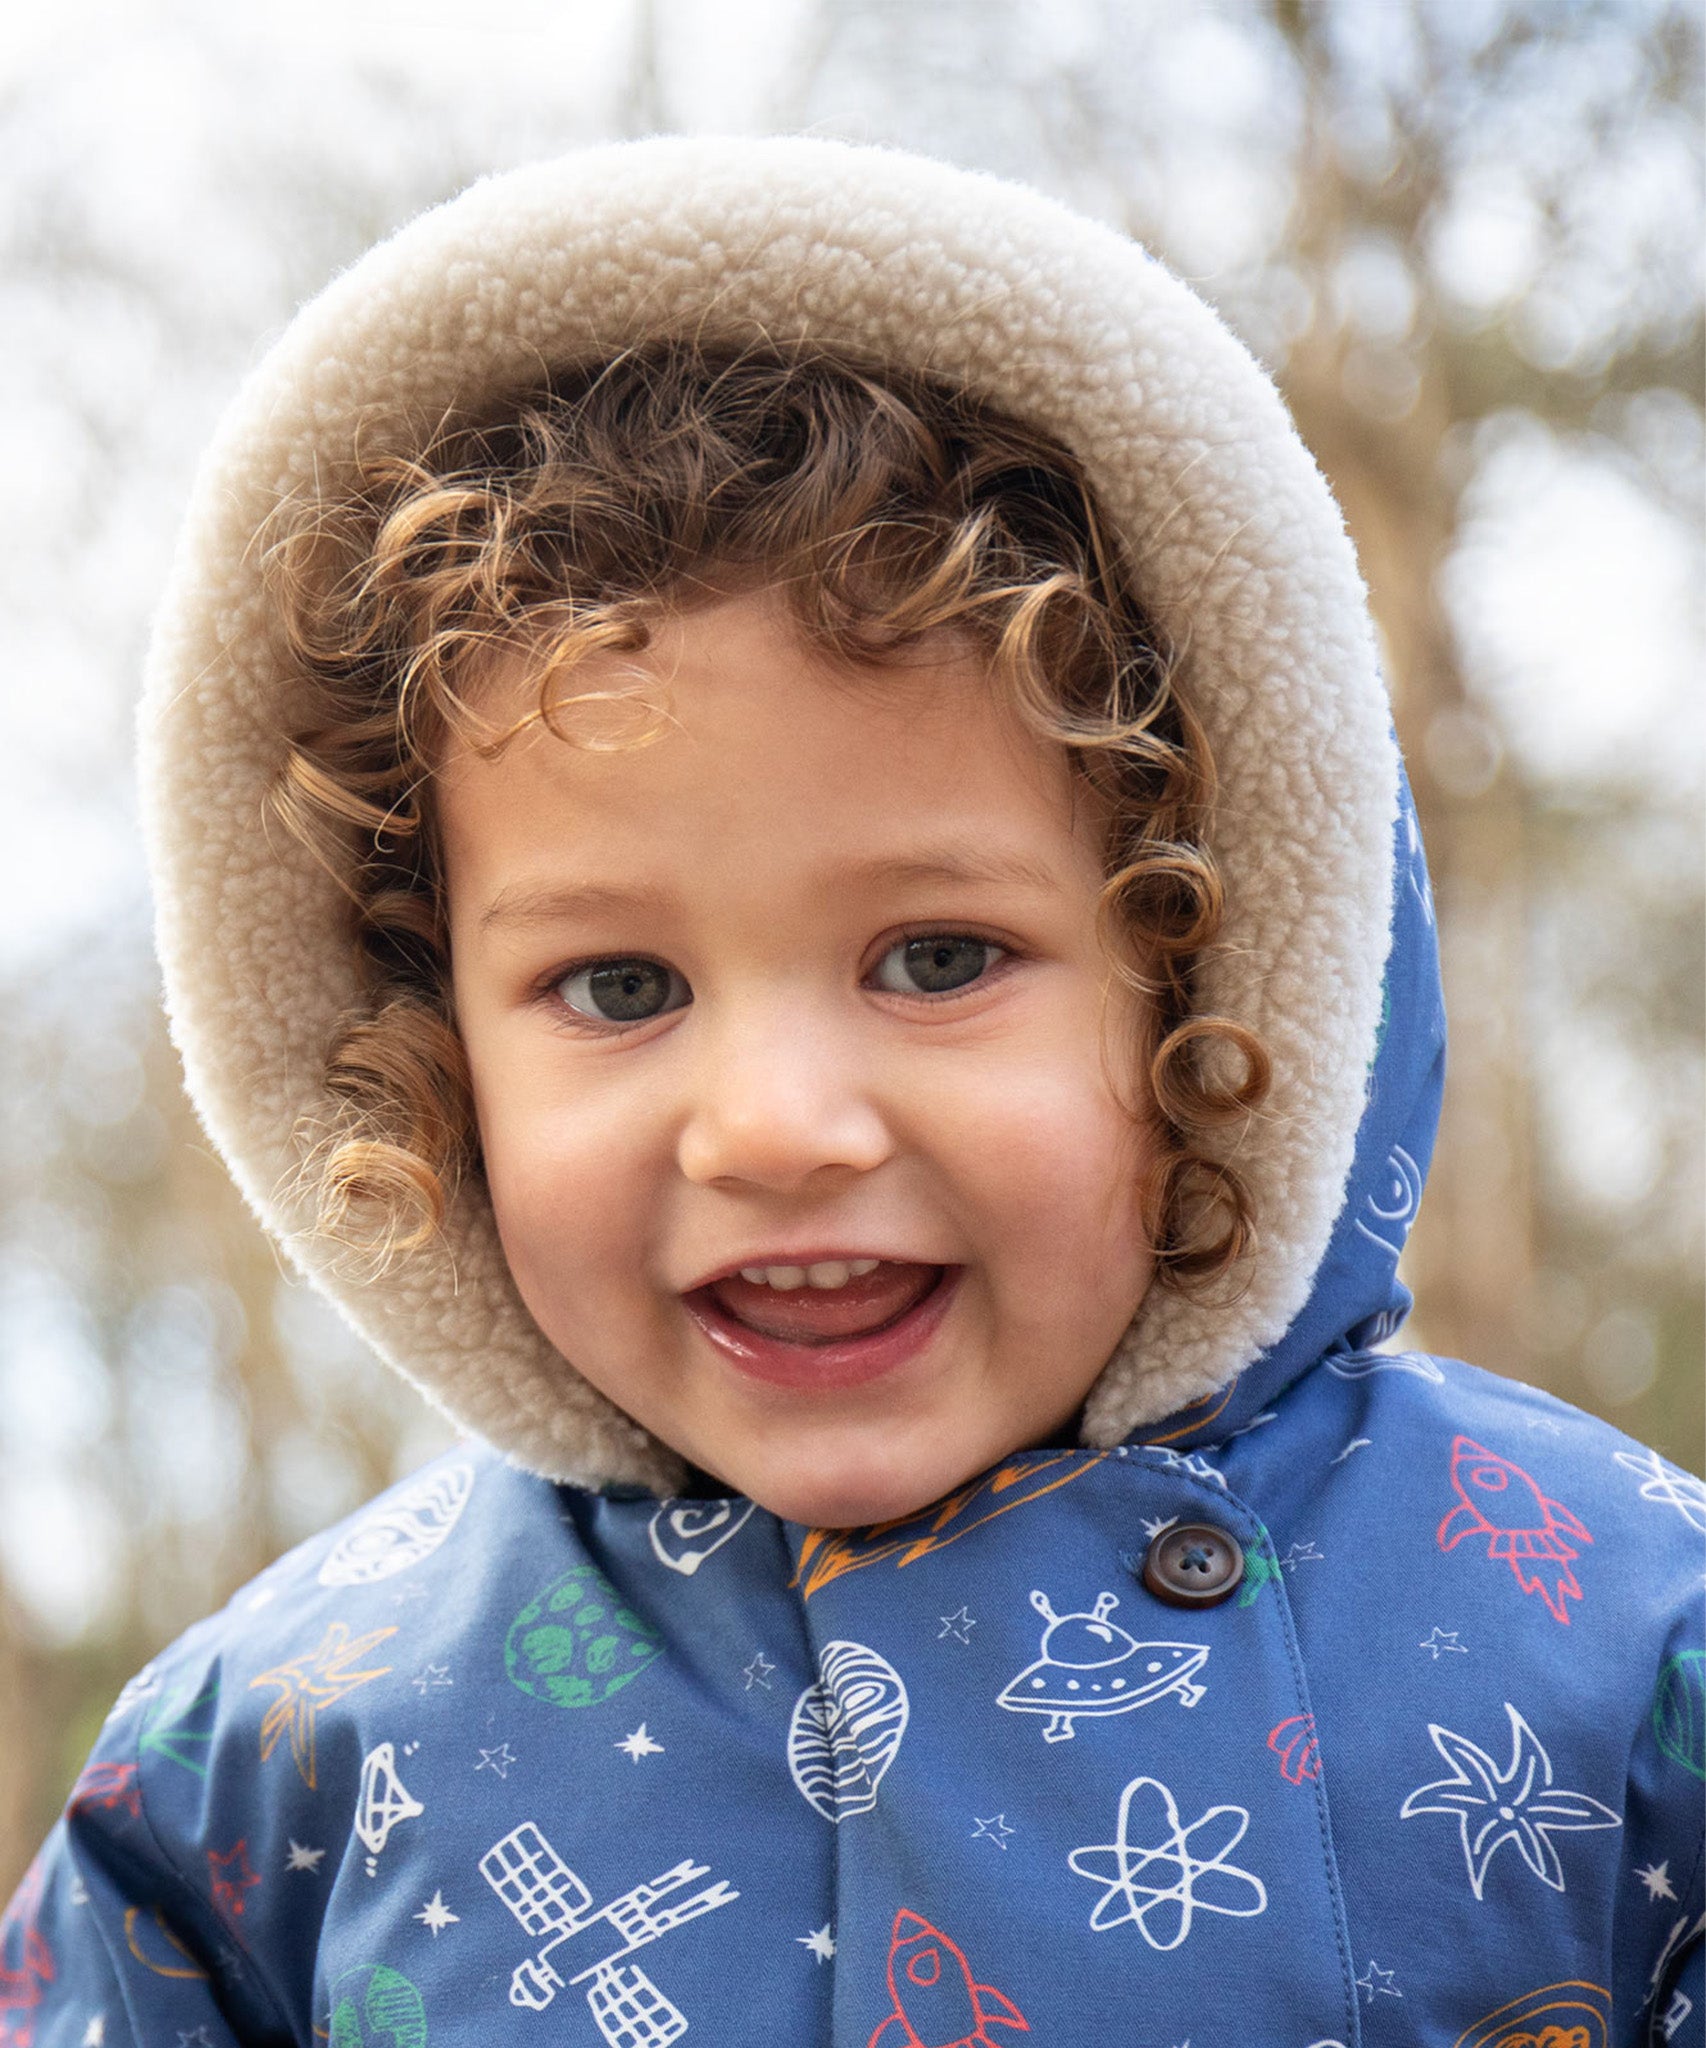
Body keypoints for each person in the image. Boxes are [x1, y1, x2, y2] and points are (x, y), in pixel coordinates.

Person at [2, 138, 1699, 2047]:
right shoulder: (280, 1760)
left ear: (1211, 989)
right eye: (618, 986)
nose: (776, 1125)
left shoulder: (1607, 1639)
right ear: (430, 1055)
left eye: (937, 959)